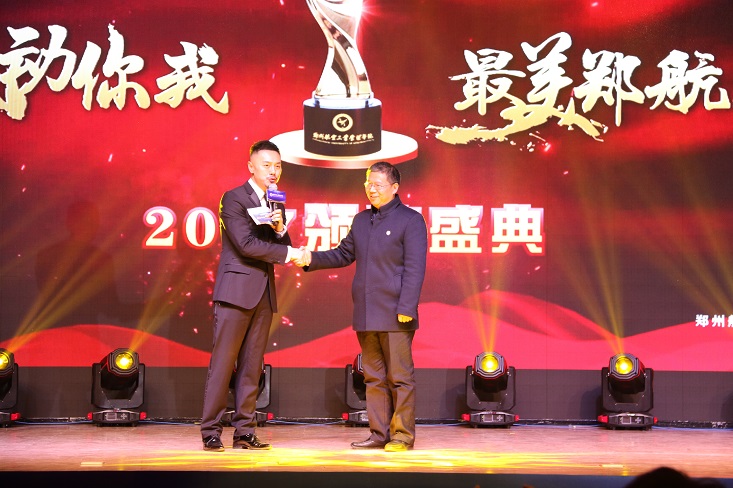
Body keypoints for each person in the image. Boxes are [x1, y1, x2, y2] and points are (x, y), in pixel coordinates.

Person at [296, 161, 428, 451]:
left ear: (394, 187)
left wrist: (407, 307)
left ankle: (402, 436)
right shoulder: (361, 220)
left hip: (396, 312)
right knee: (373, 378)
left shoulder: (411, 220)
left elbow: (415, 269)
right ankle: (379, 434)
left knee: (400, 378)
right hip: (366, 311)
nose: (372, 189)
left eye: (378, 184)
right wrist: (310, 258)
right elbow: (343, 254)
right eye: (368, 183)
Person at [201, 140, 304, 452]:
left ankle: (245, 431)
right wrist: (290, 253)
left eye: (277, 166)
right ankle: (211, 431)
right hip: (235, 292)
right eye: (266, 165)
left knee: (252, 367)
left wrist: (280, 229)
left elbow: (280, 243)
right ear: (251, 166)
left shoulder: (276, 202)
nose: (273, 171)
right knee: (223, 364)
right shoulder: (234, 198)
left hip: (263, 294)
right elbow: (245, 245)